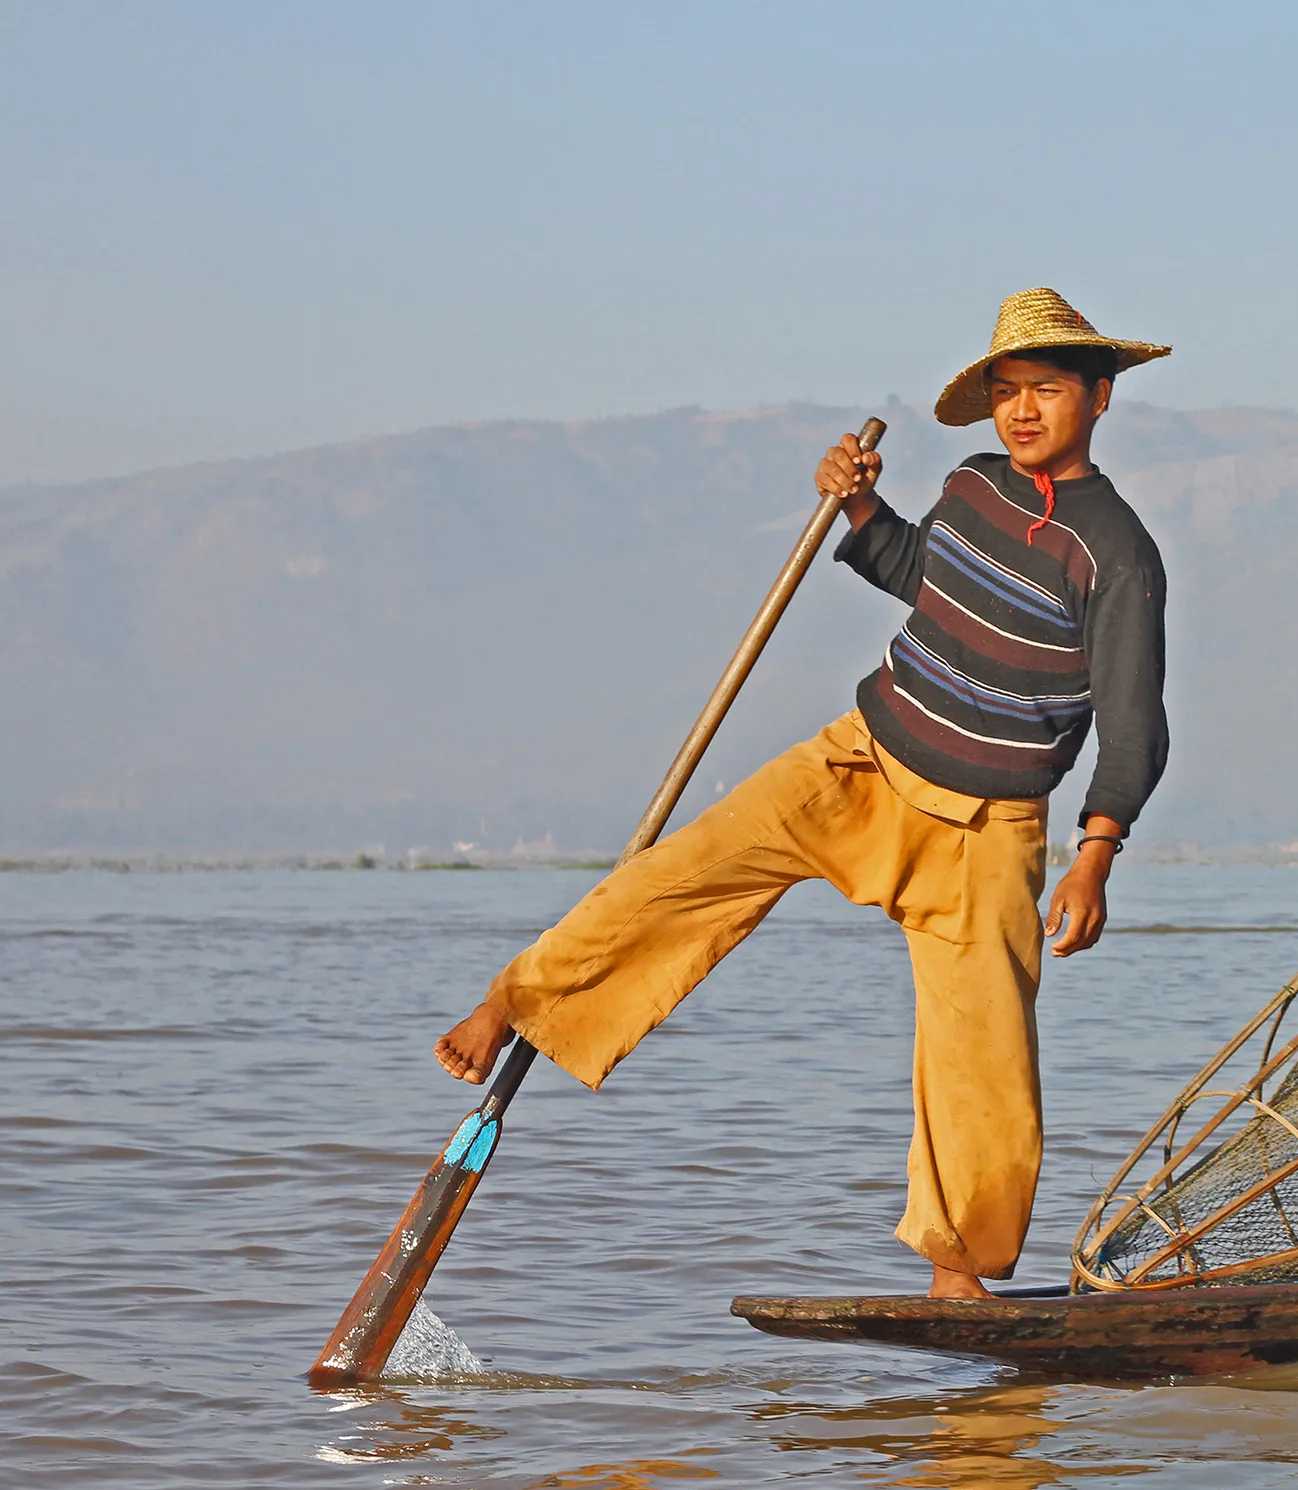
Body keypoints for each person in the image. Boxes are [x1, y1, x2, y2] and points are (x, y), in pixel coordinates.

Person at [429, 288, 1171, 1300]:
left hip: (988, 832)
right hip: (859, 764)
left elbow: (1133, 720)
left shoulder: (1117, 551)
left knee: (983, 1055)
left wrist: (1096, 850)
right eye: (1006, 392)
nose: (1023, 411)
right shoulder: (971, 485)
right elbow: (924, 574)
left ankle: (961, 1270)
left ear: (1099, 398)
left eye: (1046, 390)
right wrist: (860, 509)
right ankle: (516, 1002)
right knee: (684, 877)